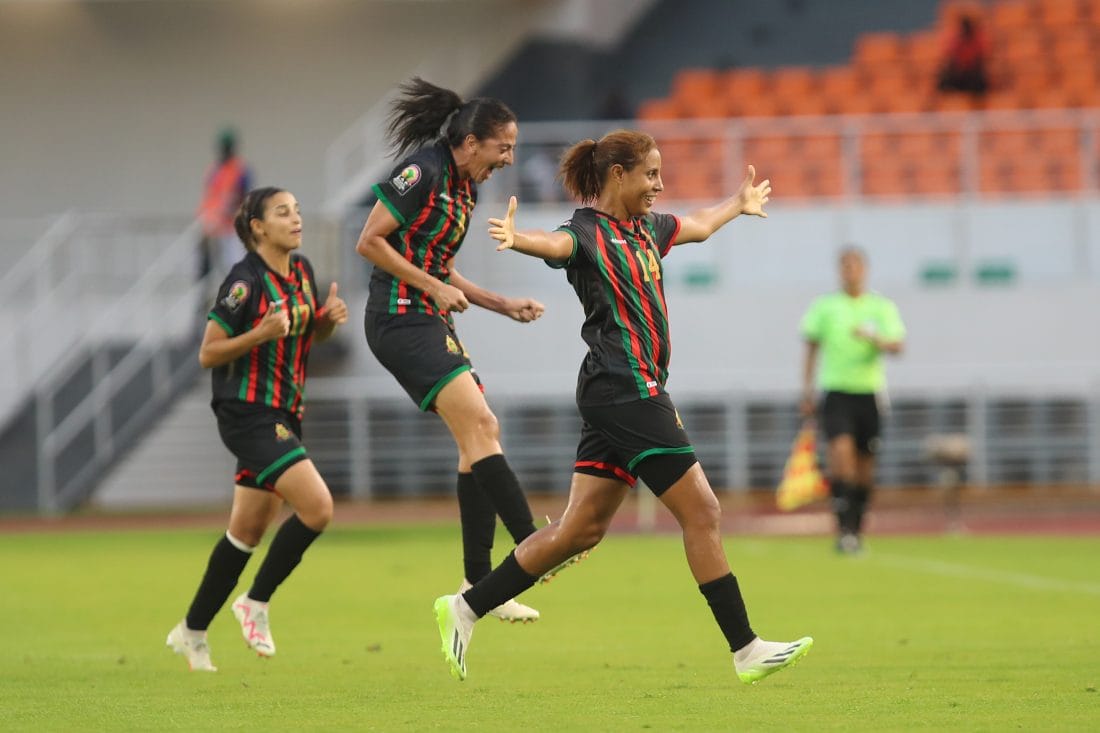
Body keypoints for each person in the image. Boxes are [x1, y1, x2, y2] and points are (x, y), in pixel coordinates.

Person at [433, 129, 813, 685]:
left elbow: (698, 225)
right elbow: (555, 244)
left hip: (614, 392)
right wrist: (518, 240)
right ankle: (746, 648)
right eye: (650, 174)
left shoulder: (648, 228)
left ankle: (465, 607)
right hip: (627, 389)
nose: (659, 184)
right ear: (618, 174)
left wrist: (737, 203)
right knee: (702, 512)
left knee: (579, 530)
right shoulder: (587, 233)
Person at [355, 78, 554, 623]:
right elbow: (369, 240)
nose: (509, 159)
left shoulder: (466, 190)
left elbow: (441, 267)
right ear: (471, 143)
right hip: (398, 317)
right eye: (503, 148)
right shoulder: (422, 172)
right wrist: (431, 287)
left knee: (477, 440)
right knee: (483, 424)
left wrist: (501, 303)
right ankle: (535, 543)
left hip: (429, 318)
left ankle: (478, 582)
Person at [167, 186, 349, 671]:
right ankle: (255, 601)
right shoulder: (243, 283)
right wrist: (259, 333)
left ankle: (192, 631)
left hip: (286, 412)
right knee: (318, 507)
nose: (296, 219)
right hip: (247, 413)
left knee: (246, 532)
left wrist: (328, 321)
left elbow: (309, 333)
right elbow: (208, 352)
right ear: (258, 228)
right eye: (283, 213)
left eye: (298, 210)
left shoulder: (302, 271)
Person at [799, 247, 905, 554]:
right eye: (845, 266)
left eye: (855, 266)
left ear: (865, 270)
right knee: (841, 459)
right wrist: (807, 391)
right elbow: (811, 348)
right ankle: (844, 530)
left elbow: (897, 346)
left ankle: (857, 529)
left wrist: (874, 338)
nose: (850, 271)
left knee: (864, 469)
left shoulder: (881, 307)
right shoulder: (825, 306)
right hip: (836, 392)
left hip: (869, 393)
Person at [198, 128, 252, 284]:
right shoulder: (215, 170)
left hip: (232, 225)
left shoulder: (239, 169)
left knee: (234, 262)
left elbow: (244, 195)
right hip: (213, 224)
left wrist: (231, 209)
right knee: (210, 263)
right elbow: (210, 196)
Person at [936, 13, 990, 96]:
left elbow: (979, 60)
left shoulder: (977, 41)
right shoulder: (957, 41)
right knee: (944, 80)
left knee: (978, 83)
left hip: (972, 75)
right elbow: (952, 59)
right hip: (959, 75)